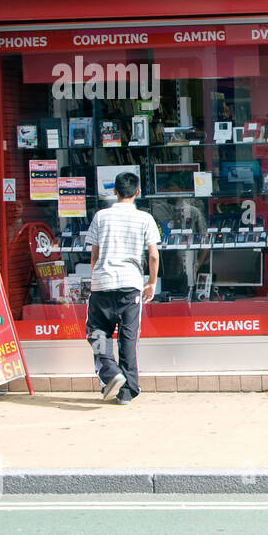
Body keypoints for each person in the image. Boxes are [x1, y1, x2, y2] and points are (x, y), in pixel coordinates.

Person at [85, 172, 160, 404]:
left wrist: (95, 276)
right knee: (128, 339)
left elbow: (94, 253)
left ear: (114, 191)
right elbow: (154, 255)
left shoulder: (100, 216)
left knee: (97, 331)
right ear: (138, 192)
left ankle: (110, 372)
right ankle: (128, 391)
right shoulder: (145, 218)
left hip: (102, 283)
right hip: (131, 285)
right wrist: (151, 282)